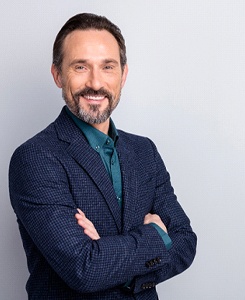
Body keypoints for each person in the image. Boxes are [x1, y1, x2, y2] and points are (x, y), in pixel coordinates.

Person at [9, 13, 197, 299]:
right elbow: (84, 268)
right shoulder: (35, 158)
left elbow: (185, 242)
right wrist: (156, 237)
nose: (95, 83)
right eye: (80, 66)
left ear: (123, 74)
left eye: (107, 67)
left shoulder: (144, 151)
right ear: (58, 74)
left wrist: (108, 254)